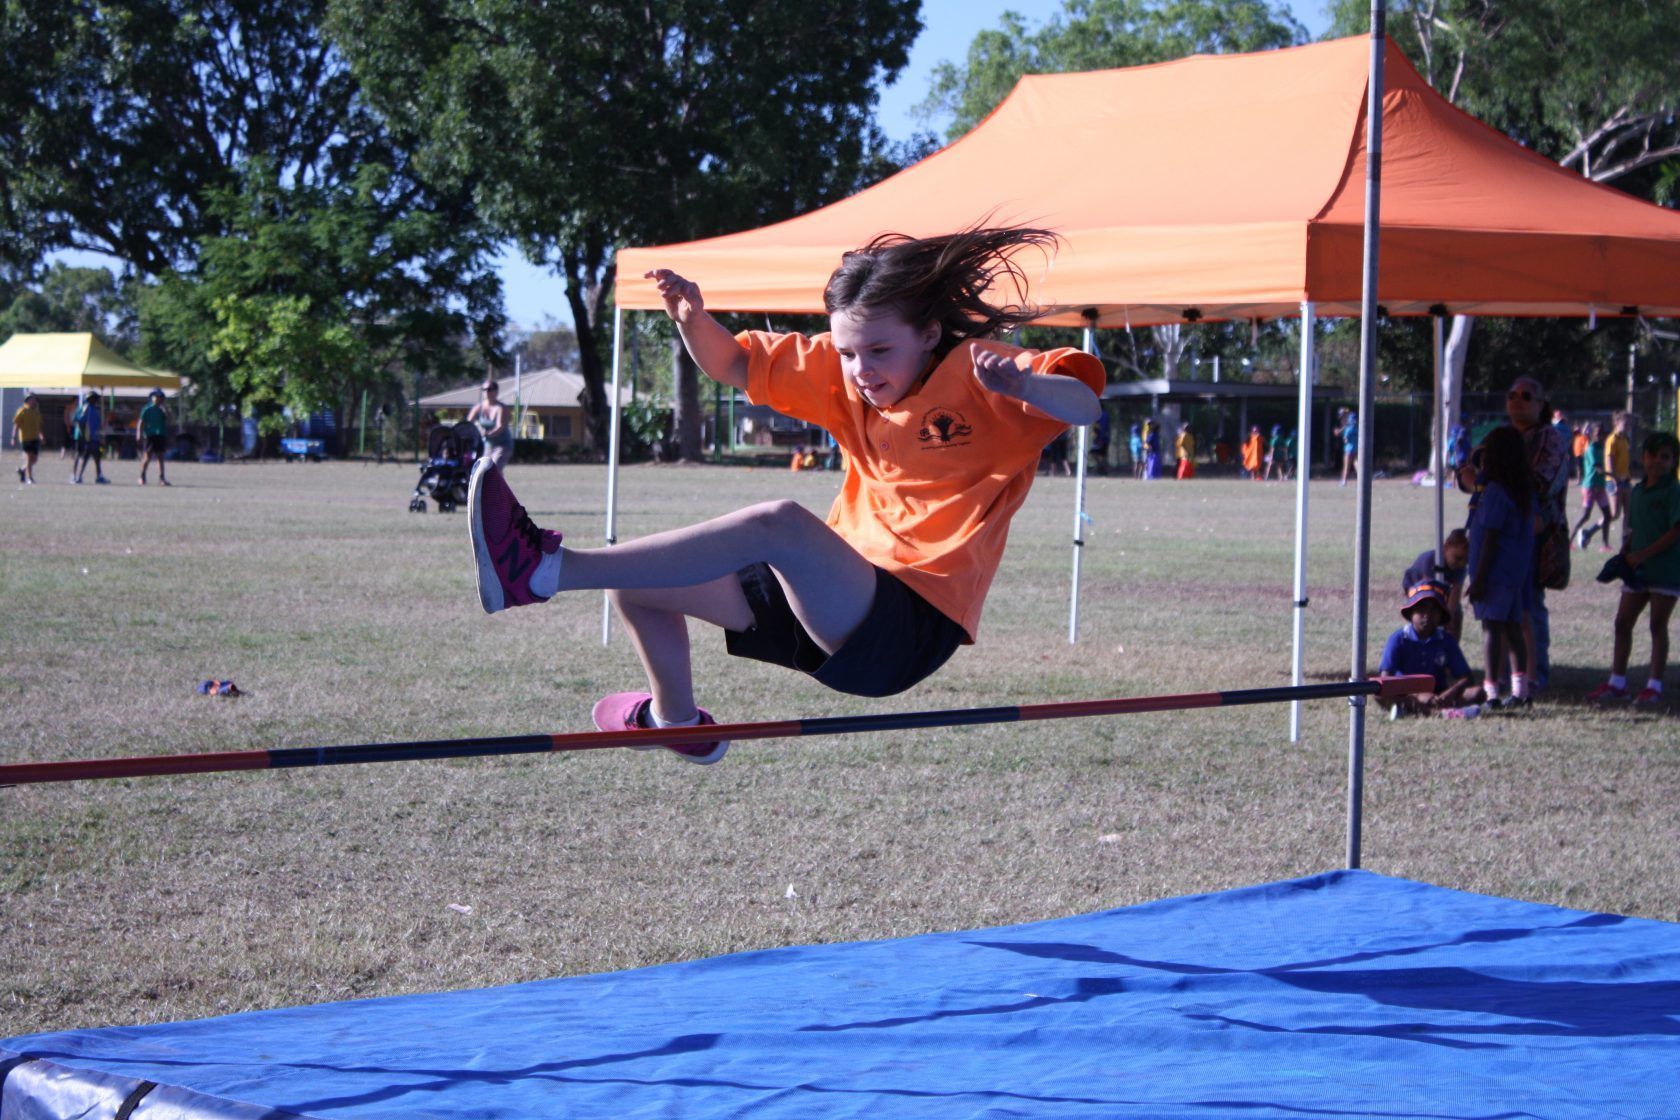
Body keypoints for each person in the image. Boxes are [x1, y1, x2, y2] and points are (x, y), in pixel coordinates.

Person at [467, 226, 1103, 765]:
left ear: (930, 334)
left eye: (880, 350)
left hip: (909, 625)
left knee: (780, 522)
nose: (862, 370)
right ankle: (679, 724)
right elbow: (735, 365)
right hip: (834, 600)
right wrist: (693, 321)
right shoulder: (845, 376)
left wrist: (1030, 388)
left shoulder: (982, 371)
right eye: (848, 353)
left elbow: (1084, 404)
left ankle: (543, 570)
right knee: (637, 579)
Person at [1586, 432, 1680, 707]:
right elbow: (1635, 528)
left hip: (1665, 569)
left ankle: (1654, 686)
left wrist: (1643, 554)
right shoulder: (1638, 492)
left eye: (1665, 457)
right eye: (1652, 455)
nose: (1657, 461)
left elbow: (1676, 530)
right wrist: (1627, 550)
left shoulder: (1674, 491)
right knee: (1622, 622)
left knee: (1657, 625)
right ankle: (1617, 683)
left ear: (1673, 461)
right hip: (1636, 569)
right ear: (1643, 457)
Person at [1506, 376, 1569, 691]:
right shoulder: (1507, 436)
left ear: (1541, 405)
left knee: (1529, 604)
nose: (1517, 400)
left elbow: (1541, 482)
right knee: (1508, 604)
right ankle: (1512, 672)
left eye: (1526, 396)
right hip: (1506, 532)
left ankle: (1535, 675)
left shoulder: (1549, 437)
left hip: (1536, 535)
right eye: (1512, 395)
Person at [1466, 426, 1534, 710]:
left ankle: (1491, 693)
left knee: (1491, 630)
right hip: (1513, 573)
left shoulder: (1495, 492)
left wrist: (1479, 579)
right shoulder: (1521, 491)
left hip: (1494, 574)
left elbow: (1491, 538)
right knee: (1513, 628)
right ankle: (1521, 692)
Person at [1378, 581, 1480, 718]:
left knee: (1477, 693)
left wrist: (1450, 693)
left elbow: (1466, 678)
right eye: (1421, 609)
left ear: (1441, 615)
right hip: (1406, 693)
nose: (1427, 615)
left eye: (1434, 610)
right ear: (1411, 612)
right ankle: (1439, 713)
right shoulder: (1398, 638)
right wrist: (1414, 694)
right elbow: (1385, 677)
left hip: (1440, 694)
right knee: (1379, 694)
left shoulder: (1446, 640)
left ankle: (1418, 710)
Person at [1402, 528, 1470, 639]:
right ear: (1446, 547)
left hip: (1441, 592)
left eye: (1467, 561)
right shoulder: (1429, 560)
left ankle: (1451, 645)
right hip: (1418, 592)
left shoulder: (1460, 567)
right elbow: (1428, 593)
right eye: (1458, 558)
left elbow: (1456, 592)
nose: (1461, 564)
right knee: (1427, 616)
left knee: (1456, 614)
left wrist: (1449, 618)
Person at [1571, 422, 1611, 551]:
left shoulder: (1602, 447)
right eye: (1597, 434)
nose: (1600, 436)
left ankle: (1605, 545)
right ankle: (1569, 541)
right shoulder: (1592, 448)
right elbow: (1598, 468)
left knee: (1608, 515)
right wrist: (1613, 475)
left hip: (1600, 486)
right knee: (1585, 516)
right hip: (1590, 486)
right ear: (1593, 434)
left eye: (1601, 433)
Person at [467, 380, 514, 468]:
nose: (486, 392)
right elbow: (468, 424)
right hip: (488, 446)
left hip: (503, 445)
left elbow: (500, 426)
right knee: (485, 470)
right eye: (484, 389)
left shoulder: (501, 408)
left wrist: (487, 434)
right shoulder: (478, 407)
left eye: (489, 389)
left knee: (495, 467)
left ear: (496, 391)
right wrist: (478, 429)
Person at [1605, 411, 1633, 535]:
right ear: (1617, 423)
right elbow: (1609, 463)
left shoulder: (1625, 440)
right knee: (1615, 514)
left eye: (1629, 424)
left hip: (1625, 480)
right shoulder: (1612, 440)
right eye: (1626, 424)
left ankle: (1625, 541)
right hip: (1614, 482)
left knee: (1629, 513)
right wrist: (1615, 481)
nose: (1628, 426)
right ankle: (1589, 532)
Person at [136, 389, 171, 486]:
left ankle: (161, 478)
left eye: (160, 397)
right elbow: (141, 422)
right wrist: (138, 433)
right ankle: (142, 477)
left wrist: (166, 410)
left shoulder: (162, 409)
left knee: (160, 457)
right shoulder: (147, 409)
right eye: (156, 396)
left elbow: (169, 419)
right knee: (147, 457)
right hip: (150, 435)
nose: (158, 399)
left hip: (160, 434)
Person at [72, 391, 108, 485]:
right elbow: (80, 421)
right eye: (95, 399)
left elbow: (97, 424)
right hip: (86, 438)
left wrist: (100, 435)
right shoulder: (86, 407)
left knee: (97, 457)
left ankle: (99, 476)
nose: (96, 401)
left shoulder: (94, 409)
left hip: (94, 438)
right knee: (84, 456)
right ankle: (78, 476)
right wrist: (84, 435)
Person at [11, 391, 41, 485]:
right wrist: (13, 437)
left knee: (34, 459)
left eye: (34, 399)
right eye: (31, 399)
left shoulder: (36, 412)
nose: (33, 401)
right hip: (25, 438)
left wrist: (41, 435)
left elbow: (38, 425)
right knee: (28, 458)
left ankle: (22, 470)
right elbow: (16, 424)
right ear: (27, 400)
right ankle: (30, 478)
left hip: (35, 438)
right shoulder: (22, 411)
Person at [1339, 408, 1358, 486]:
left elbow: (1345, 440)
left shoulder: (1348, 429)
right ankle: (1361, 478)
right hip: (1356, 448)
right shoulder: (1357, 428)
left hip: (1348, 449)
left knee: (1346, 466)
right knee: (1356, 463)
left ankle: (1344, 481)